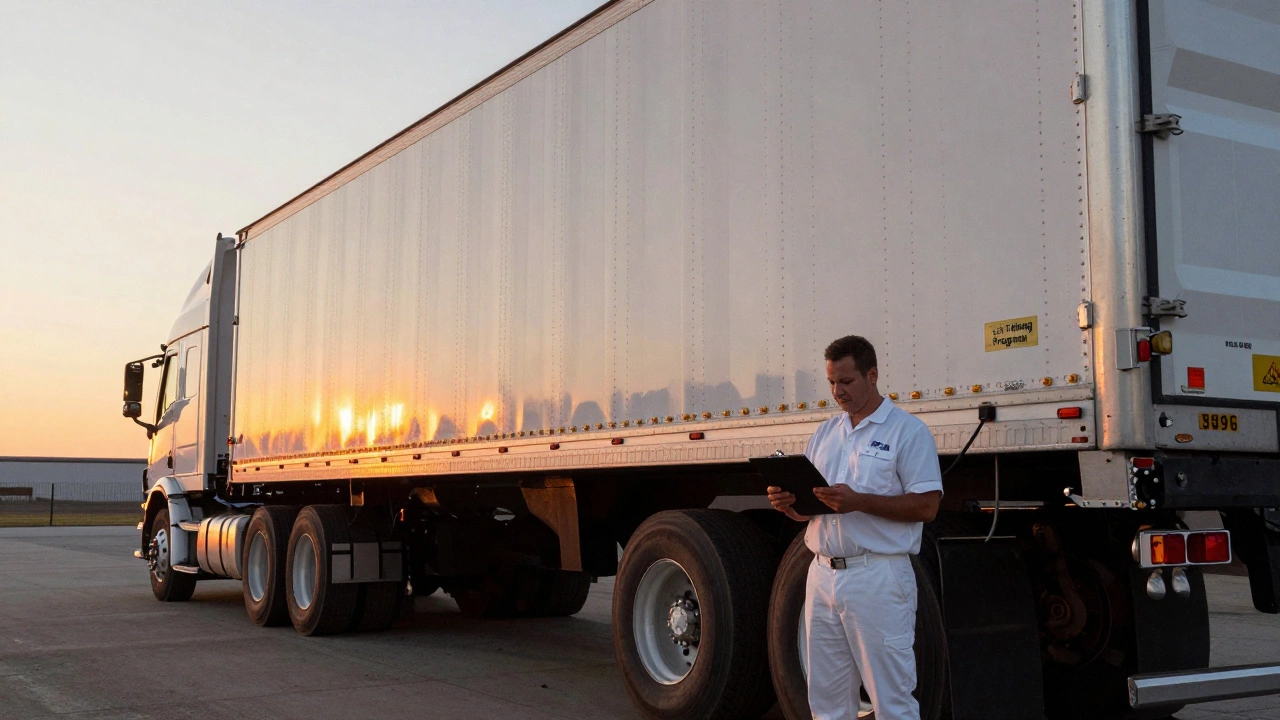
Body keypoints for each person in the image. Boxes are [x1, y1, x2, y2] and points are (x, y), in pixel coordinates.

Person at [768, 335, 942, 720]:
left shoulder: (907, 432)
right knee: (826, 703)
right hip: (822, 576)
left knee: (892, 702)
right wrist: (789, 505)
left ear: (872, 375)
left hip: (878, 577)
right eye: (832, 382)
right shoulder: (825, 435)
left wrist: (859, 501)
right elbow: (812, 512)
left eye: (846, 381)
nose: (837, 391)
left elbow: (928, 506)